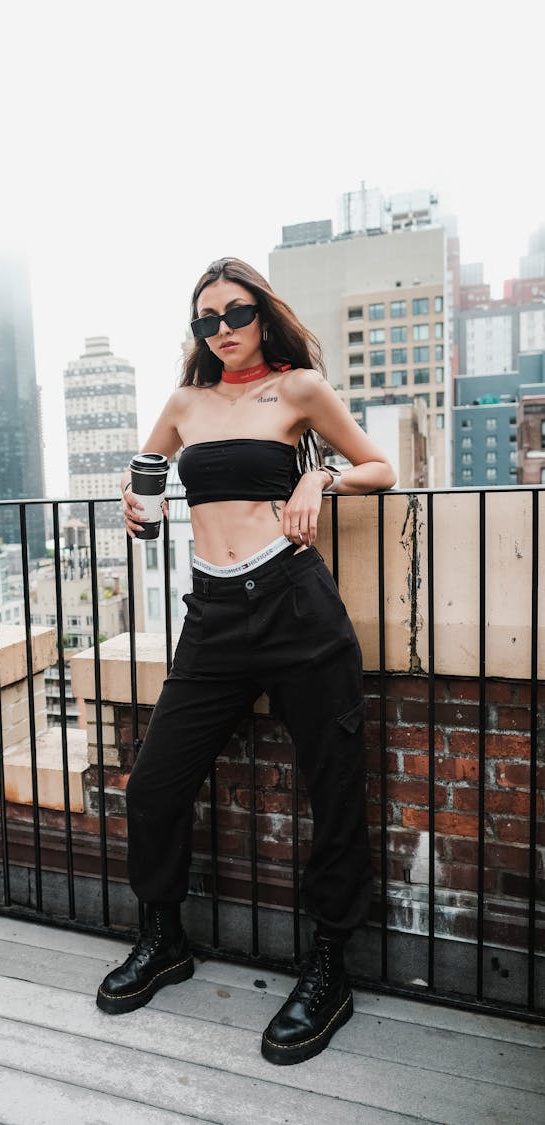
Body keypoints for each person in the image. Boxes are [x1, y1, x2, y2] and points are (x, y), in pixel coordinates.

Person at [96, 257, 396, 1065]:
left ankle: (328, 967)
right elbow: (147, 467)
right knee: (155, 781)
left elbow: (380, 465)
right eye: (206, 320)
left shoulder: (296, 389)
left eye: (236, 313)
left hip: (295, 602)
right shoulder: (185, 402)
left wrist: (322, 479)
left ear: (262, 315)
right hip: (214, 613)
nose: (222, 330)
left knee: (332, 781)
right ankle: (164, 939)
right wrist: (134, 498)